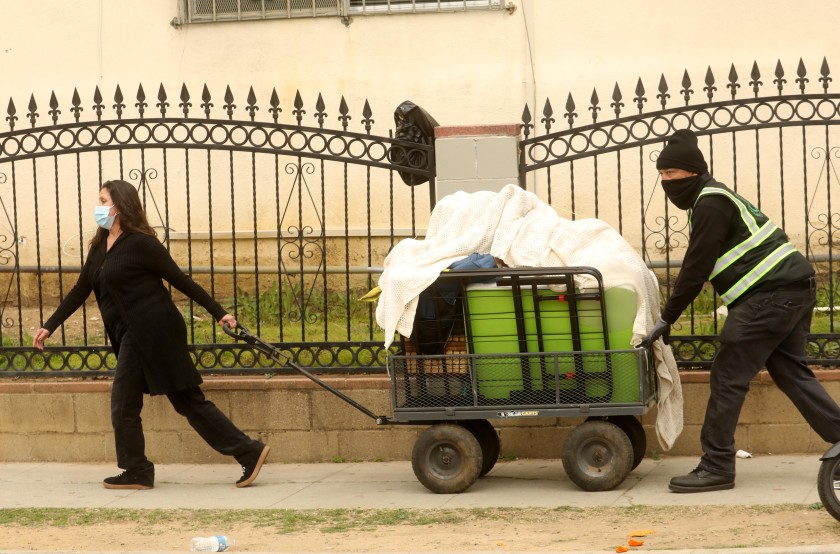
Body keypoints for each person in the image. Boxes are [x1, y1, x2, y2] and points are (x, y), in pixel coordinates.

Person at [33, 179, 270, 490]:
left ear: (118, 206)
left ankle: (137, 470)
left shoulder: (141, 244)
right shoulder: (99, 247)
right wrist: (49, 325)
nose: (98, 206)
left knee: (123, 402)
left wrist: (220, 313)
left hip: (154, 331)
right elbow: (81, 290)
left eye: (103, 200)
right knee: (188, 402)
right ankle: (248, 451)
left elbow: (181, 281)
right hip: (132, 333)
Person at [640, 129, 840, 493]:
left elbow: (695, 267)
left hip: (769, 296)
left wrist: (667, 317)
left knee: (727, 376)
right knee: (791, 372)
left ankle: (716, 465)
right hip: (793, 289)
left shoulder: (710, 203)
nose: (666, 182)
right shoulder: (715, 198)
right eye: (662, 176)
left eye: (671, 174)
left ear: (692, 172)